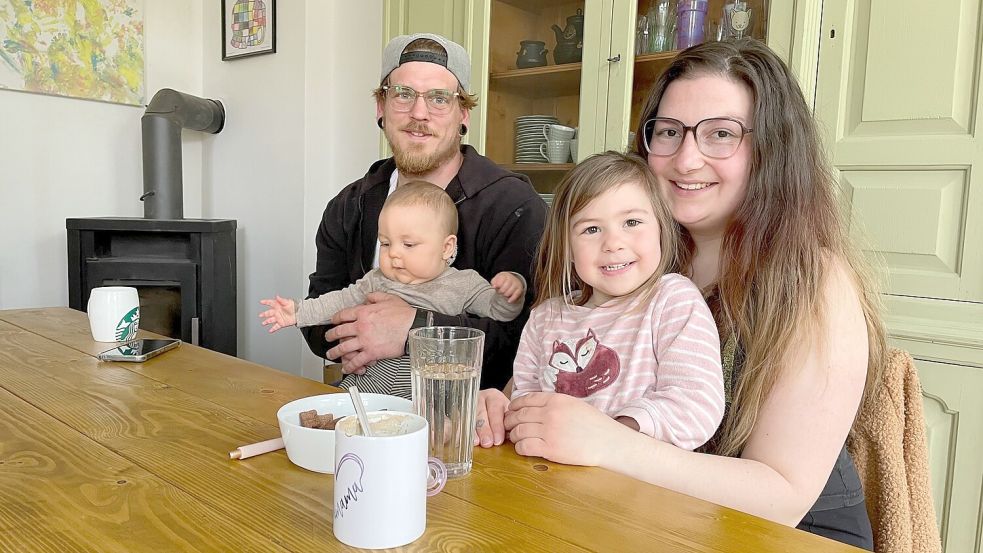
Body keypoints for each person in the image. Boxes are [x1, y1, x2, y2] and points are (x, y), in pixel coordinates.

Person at [476, 39, 885, 549]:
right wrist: (506, 407)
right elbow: (555, 393)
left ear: (773, 151)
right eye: (669, 132)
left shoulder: (815, 283)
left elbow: (783, 497)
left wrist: (610, 444)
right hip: (652, 519)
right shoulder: (632, 260)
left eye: (721, 134)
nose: (686, 159)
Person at [301, 33, 547, 392]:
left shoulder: (514, 205)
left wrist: (415, 330)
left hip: (467, 426)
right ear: (381, 107)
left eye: (439, 98)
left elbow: (533, 340)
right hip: (365, 406)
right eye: (403, 94)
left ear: (463, 114)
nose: (419, 113)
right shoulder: (349, 205)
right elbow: (315, 321)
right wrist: (367, 331)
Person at [510, 152, 724, 450]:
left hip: (640, 488)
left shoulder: (672, 300)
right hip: (550, 481)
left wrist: (612, 435)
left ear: (661, 228)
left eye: (632, 222)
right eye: (591, 229)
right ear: (567, 247)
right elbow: (524, 401)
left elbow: (696, 406)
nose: (613, 243)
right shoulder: (545, 318)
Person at [259, 181, 526, 397]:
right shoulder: (377, 280)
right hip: (365, 388)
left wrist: (511, 291)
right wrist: (298, 312)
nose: (394, 255)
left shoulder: (463, 284)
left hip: (428, 398)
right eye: (386, 244)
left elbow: (500, 313)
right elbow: (339, 301)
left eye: (408, 245)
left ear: (446, 247)